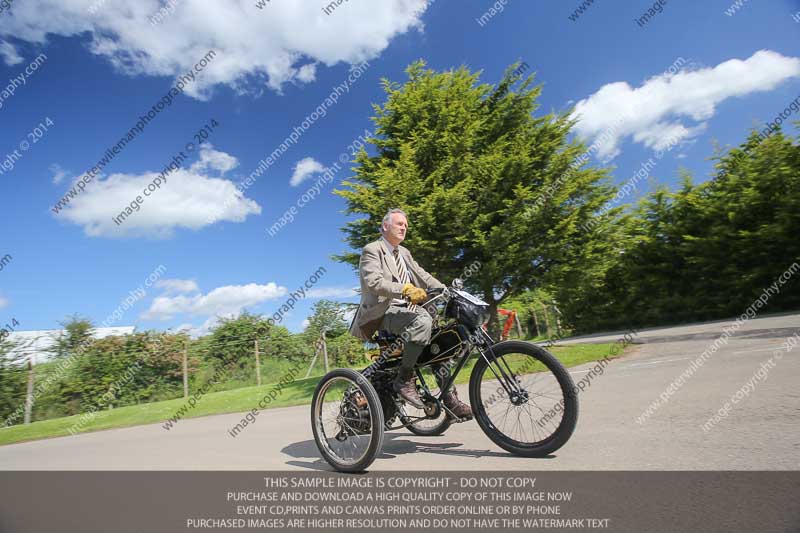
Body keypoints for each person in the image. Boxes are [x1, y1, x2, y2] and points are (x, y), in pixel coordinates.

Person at [349, 208, 472, 418]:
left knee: (440, 341)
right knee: (423, 320)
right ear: (385, 225)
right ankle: (404, 379)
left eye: (406, 225)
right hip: (382, 313)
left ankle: (449, 398)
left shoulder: (404, 253)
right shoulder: (372, 249)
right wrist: (404, 289)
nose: (404, 227)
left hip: (407, 312)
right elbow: (374, 282)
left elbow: (421, 274)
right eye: (399, 224)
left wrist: (447, 290)